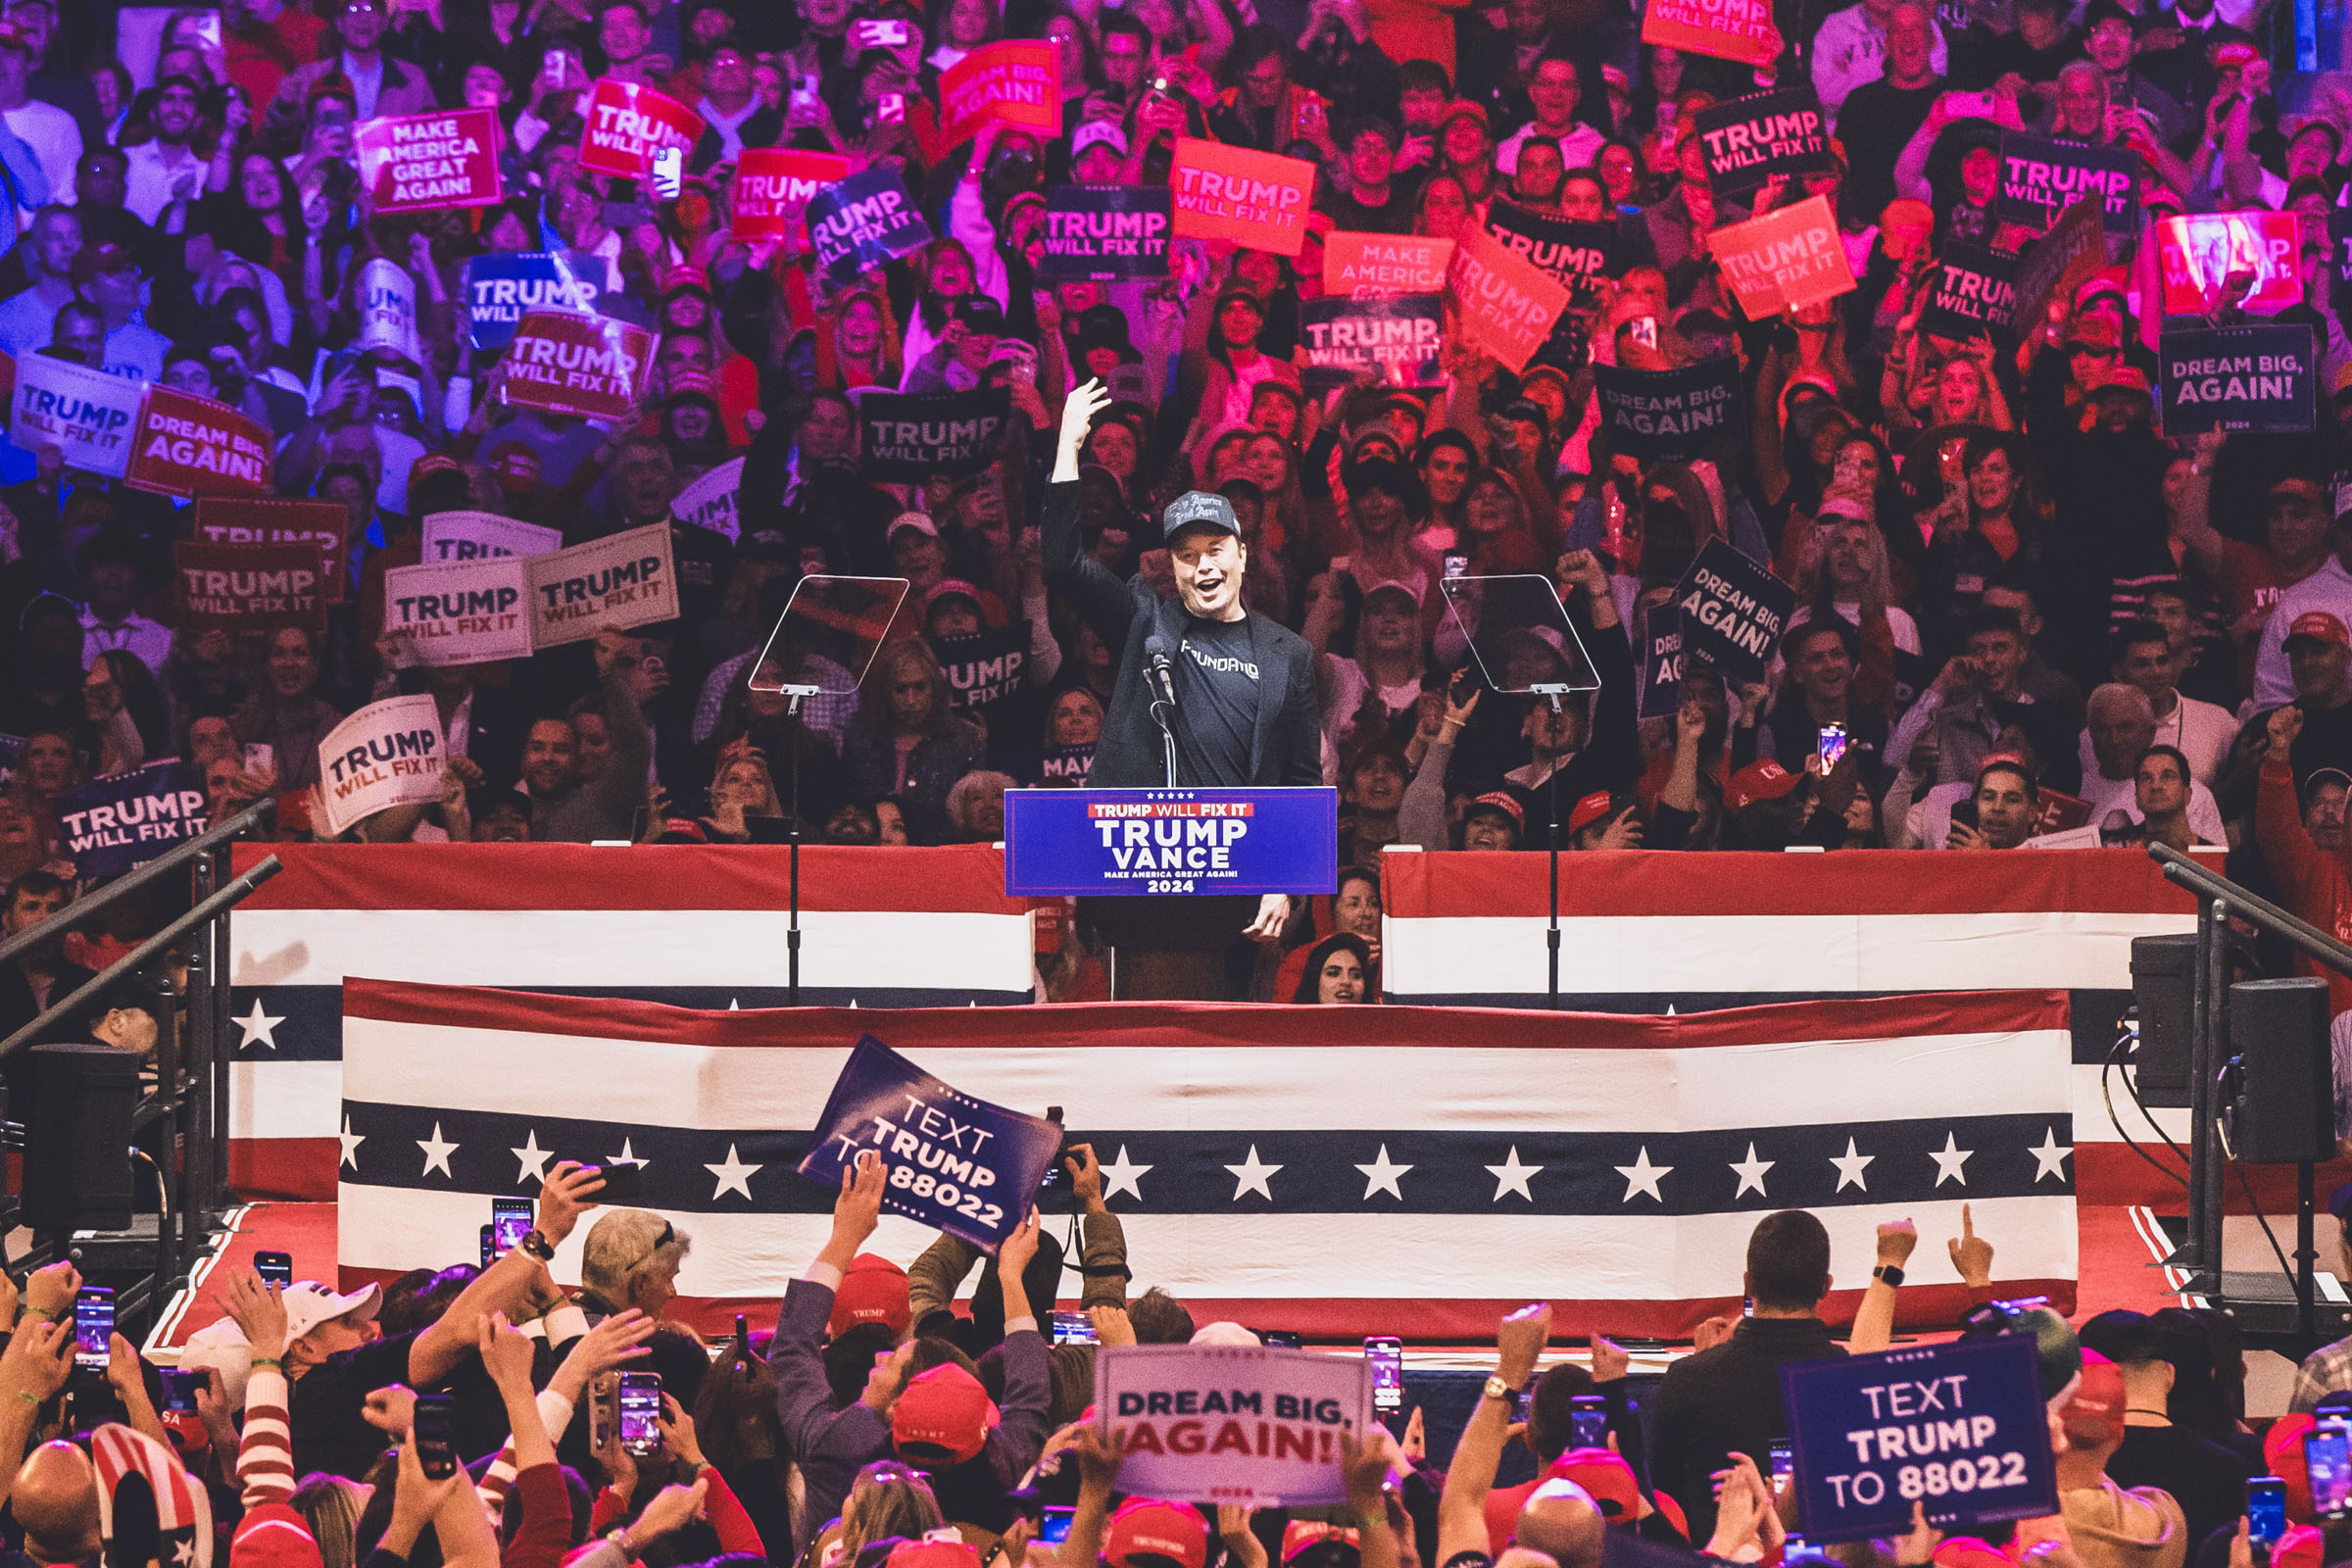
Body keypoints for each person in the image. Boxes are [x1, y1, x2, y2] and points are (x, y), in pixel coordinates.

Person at [1044, 378, 1320, 998]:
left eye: (1216, 549)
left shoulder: (1289, 655)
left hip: (1240, 896)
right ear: (1171, 565)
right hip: (1142, 883)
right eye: (1187, 555)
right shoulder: (1146, 623)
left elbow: (1301, 779)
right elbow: (1062, 565)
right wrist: (1067, 447)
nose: (1205, 566)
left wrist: (1285, 881)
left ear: (1243, 554)